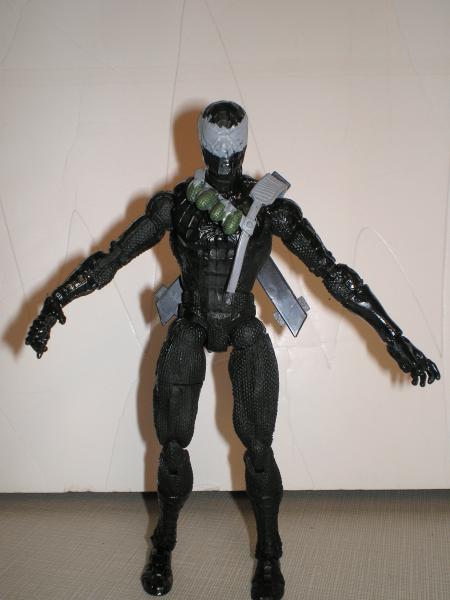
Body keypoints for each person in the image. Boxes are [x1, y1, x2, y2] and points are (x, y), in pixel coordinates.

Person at [26, 100, 440, 600]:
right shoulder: (176, 204)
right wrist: (54, 304)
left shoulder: (271, 208)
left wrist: (394, 337)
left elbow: (333, 274)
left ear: (240, 147)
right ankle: (164, 541)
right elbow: (110, 260)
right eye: (217, 148)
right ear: (205, 145)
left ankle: (269, 552)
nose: (224, 158)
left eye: (231, 149)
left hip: (244, 325)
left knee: (260, 449)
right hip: (191, 322)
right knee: (172, 446)